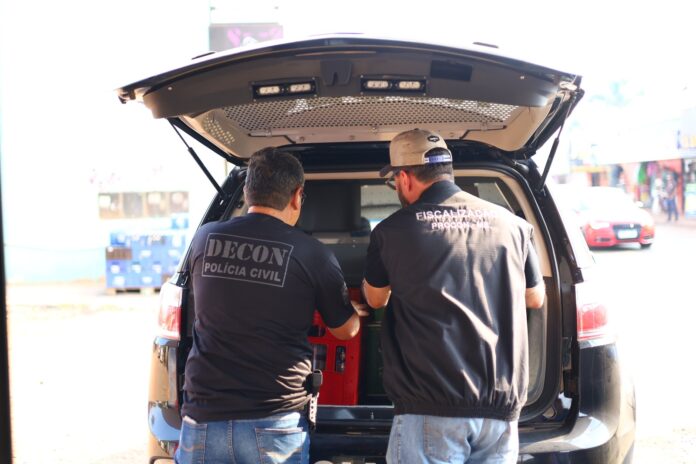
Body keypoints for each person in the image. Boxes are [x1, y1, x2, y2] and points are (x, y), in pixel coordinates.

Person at [362, 129, 546, 463]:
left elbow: (375, 299)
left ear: (404, 178)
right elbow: (535, 298)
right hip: (500, 410)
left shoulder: (392, 231)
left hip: (430, 407)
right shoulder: (512, 226)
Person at [176, 147, 366, 464]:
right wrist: (355, 313)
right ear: (297, 196)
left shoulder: (204, 238)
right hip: (274, 424)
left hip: (202, 420)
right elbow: (345, 331)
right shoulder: (312, 254)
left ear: (248, 192)